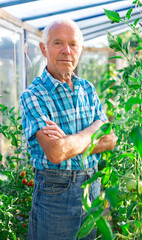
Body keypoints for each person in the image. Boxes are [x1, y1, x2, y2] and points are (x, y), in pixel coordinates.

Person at [20, 18, 117, 240]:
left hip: (91, 187)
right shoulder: (34, 95)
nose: (66, 51)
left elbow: (110, 140)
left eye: (73, 44)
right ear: (43, 48)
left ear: (80, 49)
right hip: (56, 192)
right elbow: (56, 152)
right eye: (58, 43)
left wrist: (69, 142)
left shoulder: (87, 88)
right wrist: (93, 129)